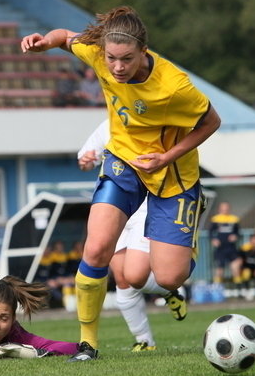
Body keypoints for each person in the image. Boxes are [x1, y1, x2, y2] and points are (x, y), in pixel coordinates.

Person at [21, 6, 221, 360]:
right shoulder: (99, 54)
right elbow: (66, 37)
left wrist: (167, 157)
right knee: (96, 249)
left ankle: (186, 241)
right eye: (112, 58)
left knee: (169, 276)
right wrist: (44, 43)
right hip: (122, 163)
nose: (116, 67)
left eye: (126, 59)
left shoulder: (175, 87)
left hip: (171, 176)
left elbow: (211, 122)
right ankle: (88, 344)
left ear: (143, 51)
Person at [78, 120, 185, 352]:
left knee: (135, 276)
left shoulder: (152, 120)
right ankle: (145, 341)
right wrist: (86, 161)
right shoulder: (109, 124)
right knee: (121, 277)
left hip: (146, 205)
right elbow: (87, 158)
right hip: (113, 207)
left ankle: (168, 288)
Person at [208, 202, 241, 288]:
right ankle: (217, 288)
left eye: (226, 208)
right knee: (219, 268)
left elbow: (238, 232)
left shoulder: (234, 219)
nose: (225, 210)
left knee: (235, 267)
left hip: (231, 247)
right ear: (219, 209)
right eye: (223, 208)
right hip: (220, 248)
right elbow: (210, 232)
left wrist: (235, 236)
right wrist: (213, 240)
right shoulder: (216, 219)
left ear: (229, 208)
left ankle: (238, 289)